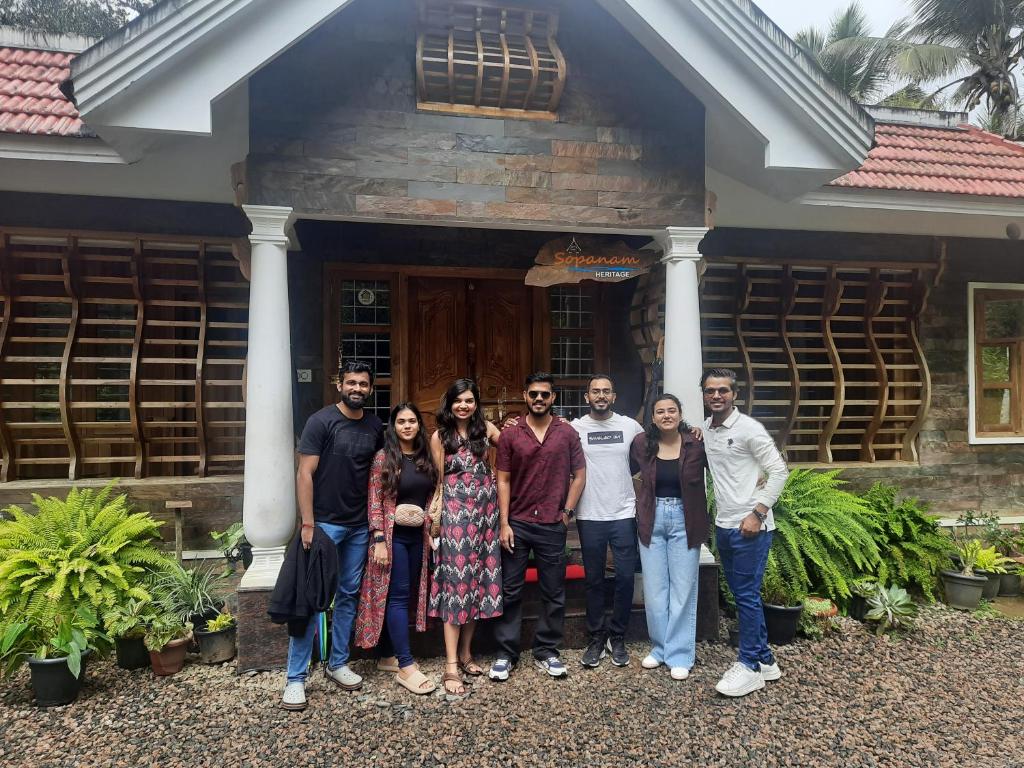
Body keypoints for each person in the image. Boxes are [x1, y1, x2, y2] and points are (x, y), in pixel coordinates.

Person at [281, 361, 384, 712]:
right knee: (311, 599)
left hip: (359, 526)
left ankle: (338, 663)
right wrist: (308, 523)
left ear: (371, 389)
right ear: (339, 384)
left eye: (364, 384)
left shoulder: (374, 426)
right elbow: (304, 473)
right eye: (352, 382)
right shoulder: (321, 422)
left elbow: (381, 473)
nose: (357, 388)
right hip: (324, 525)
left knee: (349, 595)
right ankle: (295, 679)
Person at [489, 372, 586, 682]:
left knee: (554, 591)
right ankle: (506, 653)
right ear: (525, 396)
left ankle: (547, 651)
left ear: (553, 397)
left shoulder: (566, 433)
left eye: (545, 394)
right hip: (517, 522)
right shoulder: (511, 434)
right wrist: (503, 523)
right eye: (534, 394)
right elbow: (502, 479)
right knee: (511, 590)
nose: (539, 399)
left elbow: (580, 474)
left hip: (551, 523)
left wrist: (567, 512)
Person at [701, 368, 788, 698]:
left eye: (723, 390)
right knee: (742, 593)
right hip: (724, 524)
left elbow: (779, 470)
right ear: (705, 396)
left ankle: (749, 665)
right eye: (710, 391)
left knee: (747, 594)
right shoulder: (708, 430)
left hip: (751, 527)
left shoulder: (750, 429)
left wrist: (758, 512)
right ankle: (766, 659)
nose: (717, 396)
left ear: (734, 394)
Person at [354, 403, 437, 695]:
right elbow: (374, 500)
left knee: (405, 593)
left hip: (418, 537)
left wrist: (432, 528)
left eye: (412, 420)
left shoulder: (426, 457)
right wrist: (378, 539)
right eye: (401, 421)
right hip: (391, 539)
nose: (407, 426)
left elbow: (431, 496)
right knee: (399, 596)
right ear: (393, 426)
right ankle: (406, 665)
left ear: (418, 425)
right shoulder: (383, 458)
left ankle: (388, 654)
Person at [428, 378, 503, 700]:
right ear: (450, 403)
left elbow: (513, 445)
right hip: (456, 516)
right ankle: (450, 664)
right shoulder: (439, 436)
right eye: (459, 400)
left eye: (470, 400)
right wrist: (435, 521)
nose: (464, 406)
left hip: (486, 513)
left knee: (477, 584)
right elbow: (437, 481)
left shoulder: (485, 429)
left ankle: (468, 654)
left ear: (476, 403)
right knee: (457, 586)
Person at [628, 393, 708, 681]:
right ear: (652, 417)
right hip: (652, 518)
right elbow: (624, 472)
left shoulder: (696, 442)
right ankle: (660, 648)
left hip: (686, 519)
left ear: (680, 413)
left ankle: (680, 654)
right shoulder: (641, 444)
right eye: (660, 411)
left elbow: (723, 467)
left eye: (671, 410)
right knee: (655, 589)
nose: (666, 415)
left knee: (683, 588)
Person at [570, 374, 645, 668]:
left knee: (626, 577)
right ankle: (597, 637)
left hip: (623, 513)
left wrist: (690, 429)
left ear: (614, 397)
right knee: (594, 579)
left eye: (606, 391)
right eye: (595, 391)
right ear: (587, 397)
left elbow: (654, 446)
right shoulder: (575, 428)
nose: (600, 395)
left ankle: (618, 635)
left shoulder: (630, 426)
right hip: (589, 514)